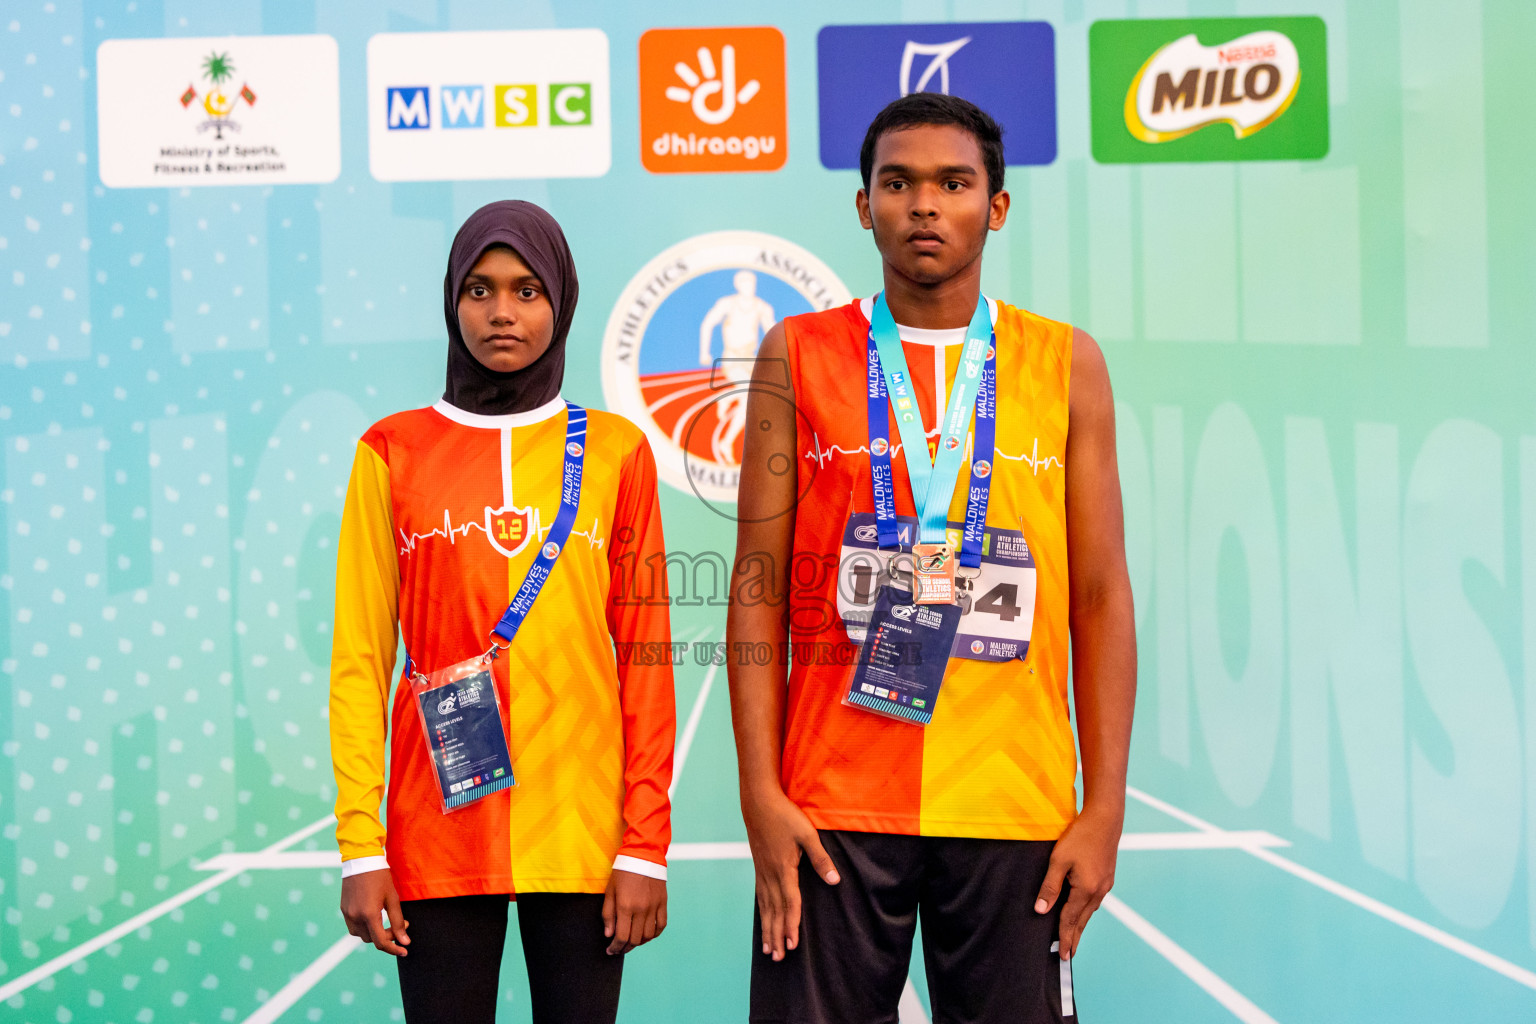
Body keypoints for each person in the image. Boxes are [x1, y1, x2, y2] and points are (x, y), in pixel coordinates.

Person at [727, 94, 1136, 1023]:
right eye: (898, 182)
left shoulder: (1066, 363)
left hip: (1013, 801)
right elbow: (757, 586)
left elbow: (1102, 598)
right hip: (832, 802)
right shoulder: (797, 353)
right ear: (863, 204)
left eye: (953, 183)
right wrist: (759, 789)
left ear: (995, 206)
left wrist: (1102, 806)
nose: (923, 205)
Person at [329, 200, 676, 1024]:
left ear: (561, 299)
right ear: (452, 301)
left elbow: (646, 659)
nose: (502, 313)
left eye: (527, 290)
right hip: (437, 835)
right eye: (479, 290)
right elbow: (360, 661)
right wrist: (359, 845)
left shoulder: (619, 452)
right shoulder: (392, 450)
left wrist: (646, 849)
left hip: (583, 840)